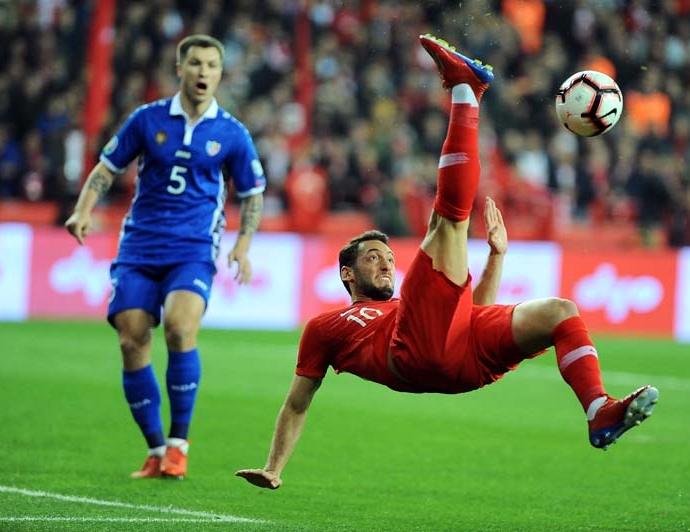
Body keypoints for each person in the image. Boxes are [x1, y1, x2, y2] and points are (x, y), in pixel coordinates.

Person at [235, 34, 658, 490]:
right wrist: (273, 467)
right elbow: (298, 402)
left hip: (462, 363)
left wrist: (497, 256)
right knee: (448, 224)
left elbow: (469, 315)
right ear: (346, 274)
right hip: (413, 354)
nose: (385, 264)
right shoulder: (327, 327)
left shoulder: (406, 305)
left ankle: (599, 411)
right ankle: (465, 91)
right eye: (373, 258)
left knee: (560, 312)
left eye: (387, 257)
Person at [65, 34, 266, 480]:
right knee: (131, 338)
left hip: (193, 249)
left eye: (212, 65)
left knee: (179, 327)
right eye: (195, 63)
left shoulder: (231, 133)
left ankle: (178, 445)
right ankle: (156, 449)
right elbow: (106, 169)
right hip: (139, 246)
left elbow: (253, 194)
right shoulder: (147, 119)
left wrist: (243, 244)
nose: (203, 72)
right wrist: (82, 210)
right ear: (180, 68)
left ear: (220, 73)